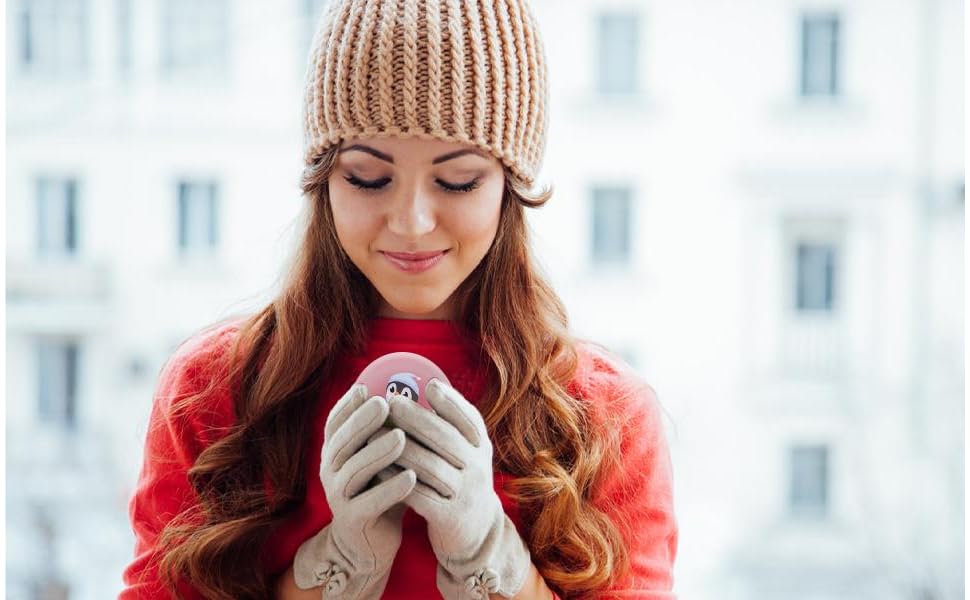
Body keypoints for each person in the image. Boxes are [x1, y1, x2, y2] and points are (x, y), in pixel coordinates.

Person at [120, 0, 678, 598]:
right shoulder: (213, 390)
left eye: (458, 180)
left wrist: (489, 561)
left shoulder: (605, 415)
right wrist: (336, 566)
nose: (411, 222)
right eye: (368, 177)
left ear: (509, 188)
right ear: (324, 181)